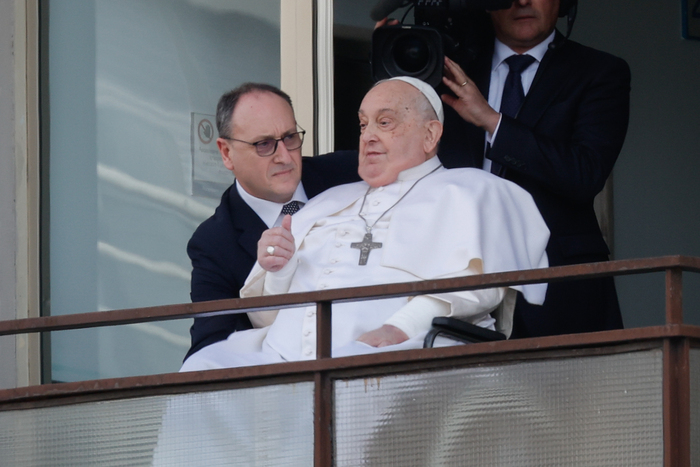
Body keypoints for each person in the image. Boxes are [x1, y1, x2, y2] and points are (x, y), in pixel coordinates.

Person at [179, 77, 549, 371]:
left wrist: (401, 327)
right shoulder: (329, 201)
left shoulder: (474, 192)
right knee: (203, 368)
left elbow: (482, 286)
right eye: (362, 124)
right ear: (227, 153)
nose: (368, 136)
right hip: (284, 360)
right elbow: (263, 317)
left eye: (385, 123)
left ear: (431, 135)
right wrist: (279, 270)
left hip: (393, 354)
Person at [433, 0, 631, 338]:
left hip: (560, 290)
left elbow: (584, 174)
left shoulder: (599, 71)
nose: (522, 1)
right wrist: (399, 69)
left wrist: (492, 121)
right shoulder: (447, 70)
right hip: (455, 278)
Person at [184, 83, 359, 362]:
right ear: (226, 153)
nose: (284, 156)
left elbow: (429, 166)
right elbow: (211, 348)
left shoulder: (347, 173)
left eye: (290, 137)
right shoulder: (214, 243)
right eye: (264, 144)